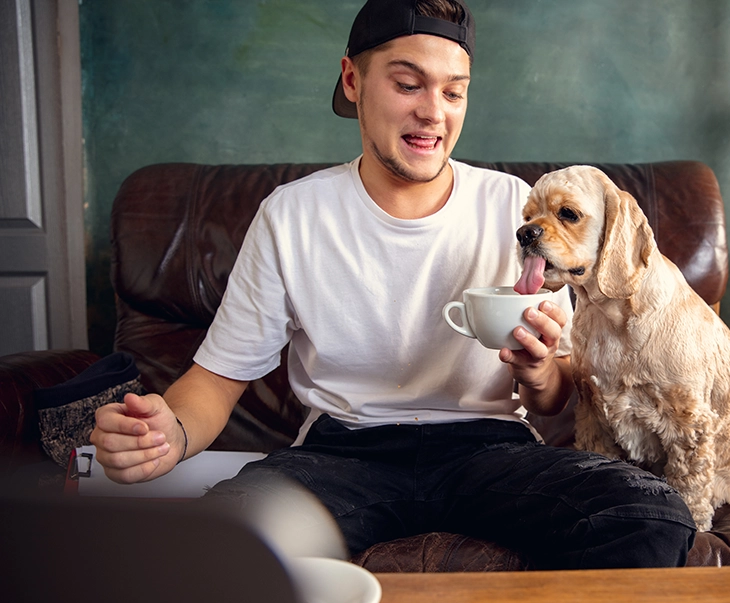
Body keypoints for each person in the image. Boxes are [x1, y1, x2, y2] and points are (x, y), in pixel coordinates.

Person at [90, 0, 696, 569]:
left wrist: (539, 374)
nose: (433, 111)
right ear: (353, 81)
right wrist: (167, 432)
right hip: (343, 451)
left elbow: (556, 394)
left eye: (453, 92)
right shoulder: (291, 216)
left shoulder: (518, 208)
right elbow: (216, 383)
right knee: (219, 540)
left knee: (650, 515)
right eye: (408, 85)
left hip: (490, 448)